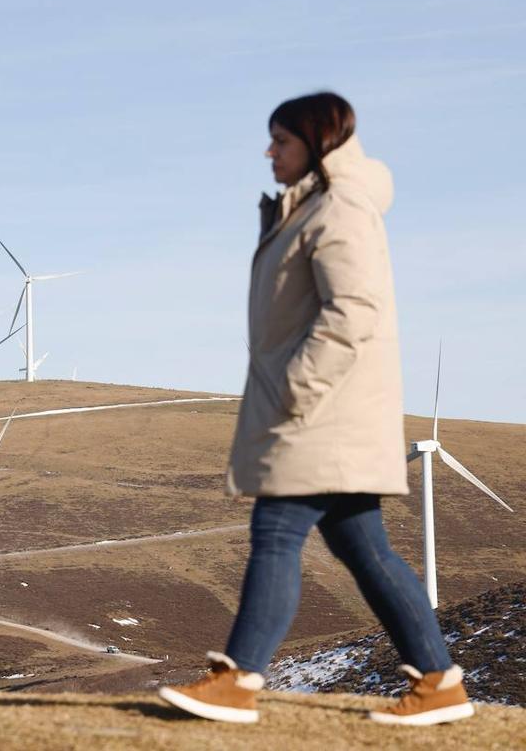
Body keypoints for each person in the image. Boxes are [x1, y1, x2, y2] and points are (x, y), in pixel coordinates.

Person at [158, 92, 474, 726]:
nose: (269, 151)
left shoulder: (340, 209)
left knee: (276, 531)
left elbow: (353, 309)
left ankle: (240, 679)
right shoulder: (309, 207)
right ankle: (439, 684)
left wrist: (298, 388)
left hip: (323, 410)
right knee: (366, 550)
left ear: (318, 143)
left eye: (282, 140)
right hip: (325, 409)